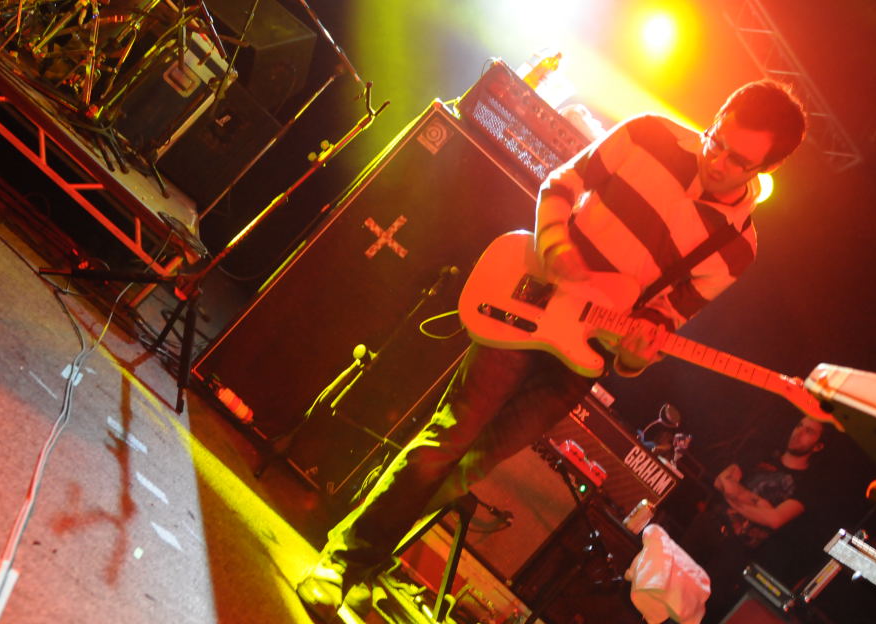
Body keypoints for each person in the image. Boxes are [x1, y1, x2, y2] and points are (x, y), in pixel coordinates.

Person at [296, 79, 809, 621]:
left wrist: (638, 352)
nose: (717, 160)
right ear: (718, 114)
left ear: (765, 169)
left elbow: (663, 320)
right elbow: (563, 182)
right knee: (450, 436)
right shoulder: (649, 133)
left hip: (581, 356)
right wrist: (556, 245)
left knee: (471, 467)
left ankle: (368, 554)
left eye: (738, 160)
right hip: (533, 295)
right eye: (716, 139)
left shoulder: (737, 246)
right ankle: (343, 561)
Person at [679, 416, 828, 623]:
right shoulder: (763, 455)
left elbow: (774, 519)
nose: (799, 432)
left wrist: (736, 495)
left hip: (735, 548)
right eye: (799, 425)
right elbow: (721, 481)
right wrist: (758, 503)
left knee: (696, 606)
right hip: (708, 524)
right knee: (665, 577)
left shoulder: (805, 486)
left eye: (809, 431)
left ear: (818, 446)